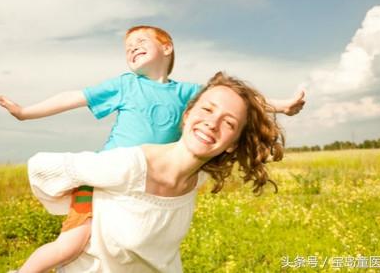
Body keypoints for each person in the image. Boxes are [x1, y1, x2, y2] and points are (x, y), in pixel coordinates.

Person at [0, 26, 304, 272]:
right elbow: (74, 97)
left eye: (140, 41)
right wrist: (26, 113)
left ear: (167, 47)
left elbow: (240, 102)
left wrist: (283, 106)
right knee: (71, 245)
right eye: (127, 47)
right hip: (102, 178)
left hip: (152, 185)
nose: (131, 48)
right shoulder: (126, 84)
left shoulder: (187, 93)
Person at [28, 71, 285, 272]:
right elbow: (43, 167)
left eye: (229, 123)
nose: (212, 123)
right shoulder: (128, 165)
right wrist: (86, 201)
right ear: (186, 115)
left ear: (232, 145)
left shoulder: (198, 177)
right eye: (207, 109)